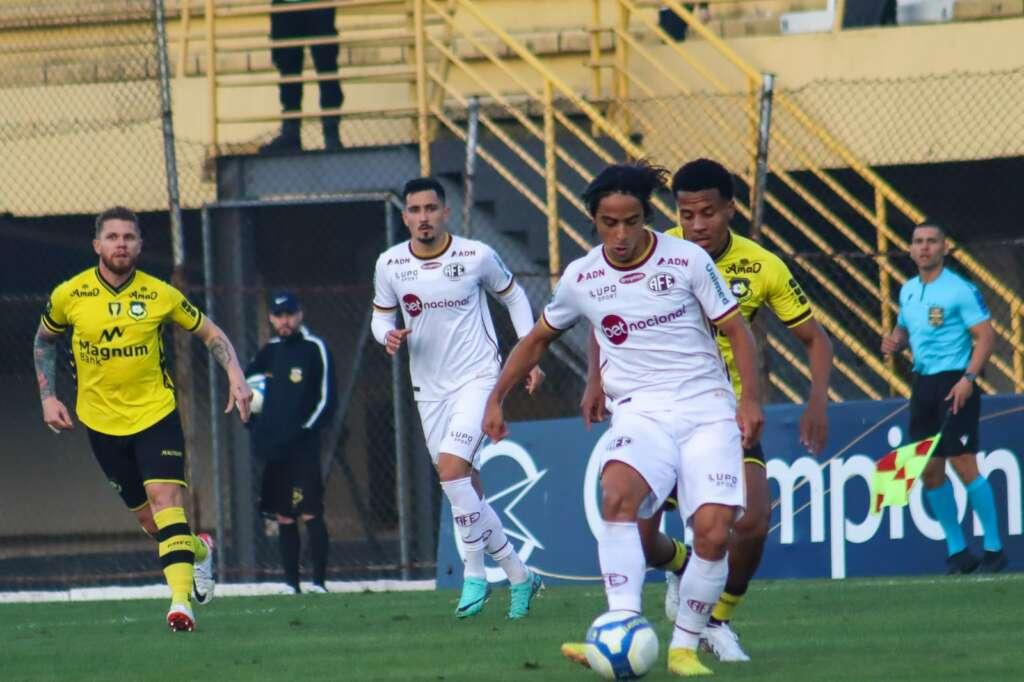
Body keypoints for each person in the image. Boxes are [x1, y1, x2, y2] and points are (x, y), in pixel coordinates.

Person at [484, 161, 764, 677]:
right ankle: (620, 626)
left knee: (715, 531)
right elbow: (537, 339)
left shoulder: (688, 261)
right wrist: (496, 398)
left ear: (646, 218)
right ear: (594, 220)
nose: (621, 234)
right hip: (640, 413)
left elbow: (737, 332)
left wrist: (748, 402)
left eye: (631, 221)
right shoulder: (582, 276)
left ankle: (683, 647)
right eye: (609, 222)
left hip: (706, 412)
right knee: (616, 496)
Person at [579, 158, 833, 662]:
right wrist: (595, 379)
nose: (696, 225)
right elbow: (600, 312)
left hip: (723, 415)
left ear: (730, 210)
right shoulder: (654, 249)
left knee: (752, 521)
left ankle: (716, 619)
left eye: (708, 213)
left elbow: (815, 339)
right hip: (654, 411)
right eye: (686, 213)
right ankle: (682, 565)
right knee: (641, 540)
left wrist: (816, 402)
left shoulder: (762, 266)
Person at [33, 206, 252, 632]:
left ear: (139, 245)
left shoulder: (160, 294)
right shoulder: (70, 294)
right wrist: (47, 397)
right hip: (100, 423)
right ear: (97, 245)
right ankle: (200, 552)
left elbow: (210, 332)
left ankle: (179, 603)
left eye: (128, 237)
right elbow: (44, 340)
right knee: (152, 522)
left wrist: (236, 375)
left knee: (165, 500)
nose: (121, 244)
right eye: (112, 237)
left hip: (155, 415)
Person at [371, 177, 545, 619]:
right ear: (405, 215)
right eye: (415, 210)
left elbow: (515, 296)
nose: (423, 217)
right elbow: (380, 317)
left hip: (478, 377)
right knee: (464, 484)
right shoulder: (390, 264)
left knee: (451, 472)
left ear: (445, 213)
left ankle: (474, 573)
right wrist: (387, 336)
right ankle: (520, 574)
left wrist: (527, 354)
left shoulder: (475, 256)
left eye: (431, 208)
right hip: (428, 388)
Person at [881, 223, 1006, 574]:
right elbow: (905, 327)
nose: (924, 248)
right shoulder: (907, 291)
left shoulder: (960, 290)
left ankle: (994, 549)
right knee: (928, 469)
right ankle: (958, 552)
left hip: (955, 381)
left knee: (963, 463)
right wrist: (895, 341)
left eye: (931, 242)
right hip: (923, 385)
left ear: (944, 248)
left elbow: (985, 337)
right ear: (909, 249)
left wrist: (969, 378)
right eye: (918, 242)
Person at [246, 291, 337, 594]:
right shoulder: (268, 352)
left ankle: (319, 582)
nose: (284, 321)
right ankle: (290, 583)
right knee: (284, 515)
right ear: (271, 318)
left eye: (289, 314)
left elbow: (327, 399)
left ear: (300, 314)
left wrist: (306, 431)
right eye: (278, 315)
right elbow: (247, 389)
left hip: (303, 447)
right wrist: (253, 425)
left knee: (310, 510)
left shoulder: (315, 348)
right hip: (274, 450)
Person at [260, 0, 344, 153]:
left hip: (315, 5)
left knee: (325, 64)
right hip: (287, 6)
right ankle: (293, 133)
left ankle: (330, 132)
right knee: (289, 68)